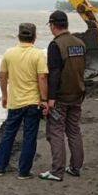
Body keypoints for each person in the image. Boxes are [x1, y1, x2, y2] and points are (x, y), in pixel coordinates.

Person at [0, 23, 49, 179]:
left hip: (15, 101)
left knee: (8, 134)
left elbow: (2, 76)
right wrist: (44, 99)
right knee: (29, 137)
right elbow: (42, 78)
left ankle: (0, 168)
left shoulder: (9, 53)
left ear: (18, 36)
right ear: (34, 37)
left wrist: (5, 95)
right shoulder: (38, 54)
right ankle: (23, 172)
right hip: (32, 102)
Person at [40, 11, 87, 182]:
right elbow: (83, 68)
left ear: (53, 25)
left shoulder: (55, 45)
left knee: (56, 132)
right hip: (77, 94)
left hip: (60, 97)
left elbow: (54, 73)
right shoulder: (80, 43)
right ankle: (75, 167)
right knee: (74, 131)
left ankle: (57, 171)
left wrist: (49, 98)